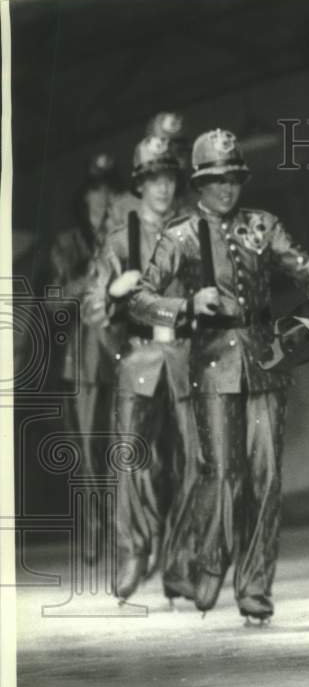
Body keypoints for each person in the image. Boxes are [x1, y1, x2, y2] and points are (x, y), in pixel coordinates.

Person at [129, 129, 309, 622]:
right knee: (221, 474)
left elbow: (306, 269)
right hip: (213, 365)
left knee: (266, 478)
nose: (226, 189)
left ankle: (255, 590)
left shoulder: (263, 226)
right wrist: (185, 304)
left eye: (234, 179)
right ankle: (188, 565)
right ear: (199, 183)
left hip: (265, 364)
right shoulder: (179, 235)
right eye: (216, 180)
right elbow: (139, 299)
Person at [83, 134, 199, 604]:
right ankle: (133, 549)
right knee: (129, 460)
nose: (163, 188)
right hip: (140, 358)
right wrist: (113, 293)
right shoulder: (118, 240)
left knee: (194, 462)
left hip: (188, 356)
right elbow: (92, 306)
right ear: (140, 184)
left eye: (169, 178)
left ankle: (181, 563)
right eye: (153, 179)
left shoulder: (194, 232)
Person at [50, 153, 123, 559]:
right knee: (88, 449)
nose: (104, 196)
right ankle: (96, 526)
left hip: (123, 352)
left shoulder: (128, 236)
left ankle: (125, 526)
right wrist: (89, 276)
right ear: (85, 197)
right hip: (82, 360)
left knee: (124, 443)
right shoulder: (67, 244)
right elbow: (53, 302)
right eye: (97, 189)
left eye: (111, 189)